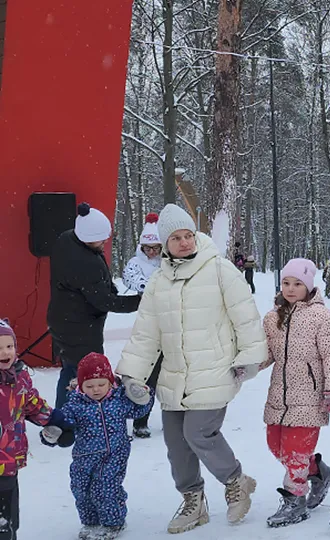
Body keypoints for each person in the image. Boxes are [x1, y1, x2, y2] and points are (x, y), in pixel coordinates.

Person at [116, 204, 267, 533]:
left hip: (214, 369)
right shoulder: (158, 281)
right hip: (175, 376)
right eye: (176, 238)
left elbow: (246, 316)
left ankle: (236, 482)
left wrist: (249, 357)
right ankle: (193, 502)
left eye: (188, 235)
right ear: (165, 244)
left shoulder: (219, 269)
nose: (184, 242)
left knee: (198, 432)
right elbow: (146, 334)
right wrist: (132, 375)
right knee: (176, 444)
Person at [261, 258, 330, 528]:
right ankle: (319, 473)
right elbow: (268, 353)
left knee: (296, 452)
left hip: (310, 395)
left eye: (297, 283)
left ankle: (295, 500)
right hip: (279, 395)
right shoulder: (274, 317)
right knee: (277, 447)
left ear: (309, 286)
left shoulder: (322, 317)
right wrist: (244, 365)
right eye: (286, 282)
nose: (291, 288)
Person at [41, 353, 154, 540]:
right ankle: (90, 521)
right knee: (81, 488)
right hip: (84, 456)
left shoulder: (119, 400)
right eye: (89, 386)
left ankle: (113, 522)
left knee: (105, 486)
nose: (96, 390)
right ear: (80, 385)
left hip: (114, 453)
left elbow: (138, 410)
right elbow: (63, 424)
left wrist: (143, 396)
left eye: (101, 384)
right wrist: (51, 434)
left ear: (110, 382)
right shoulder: (75, 405)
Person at [48, 203, 141, 408]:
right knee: (82, 373)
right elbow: (104, 301)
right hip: (78, 328)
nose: (105, 242)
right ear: (87, 238)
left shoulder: (67, 239)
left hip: (64, 320)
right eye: (101, 238)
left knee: (71, 370)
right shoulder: (84, 263)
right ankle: (71, 418)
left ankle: (67, 416)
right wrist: (141, 300)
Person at [0, 319, 66, 540]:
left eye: (9, 346)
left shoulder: (19, 378)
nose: (5, 352)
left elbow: (32, 405)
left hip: (8, 461)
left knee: (8, 518)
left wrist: (56, 421)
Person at [121, 212, 164, 438]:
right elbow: (132, 280)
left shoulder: (169, 262)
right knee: (147, 375)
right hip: (148, 326)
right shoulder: (135, 263)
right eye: (148, 248)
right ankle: (141, 419)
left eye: (156, 247)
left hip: (171, 324)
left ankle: (174, 419)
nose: (152, 252)